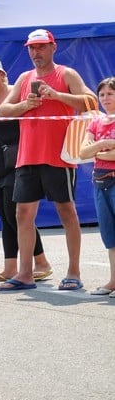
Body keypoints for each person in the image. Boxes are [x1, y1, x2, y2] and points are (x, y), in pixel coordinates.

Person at [0, 29, 95, 293]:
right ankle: (25, 273)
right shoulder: (24, 78)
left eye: (41, 47)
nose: (35, 52)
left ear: (53, 47)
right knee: (23, 214)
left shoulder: (66, 74)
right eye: (31, 48)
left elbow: (91, 102)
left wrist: (57, 95)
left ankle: (74, 272)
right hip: (27, 155)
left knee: (67, 211)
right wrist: (24, 106)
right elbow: (4, 110)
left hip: (59, 156)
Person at [0, 57, 52, 284]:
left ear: (2, 74)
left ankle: (42, 262)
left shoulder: (13, 94)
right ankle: (10, 267)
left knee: (16, 216)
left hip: (16, 163)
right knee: (4, 217)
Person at [79, 76, 115, 296]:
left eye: (110, 93)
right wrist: (102, 145)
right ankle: (113, 281)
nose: (105, 98)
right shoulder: (95, 122)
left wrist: (97, 151)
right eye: (102, 94)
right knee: (109, 235)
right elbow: (82, 152)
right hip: (99, 181)